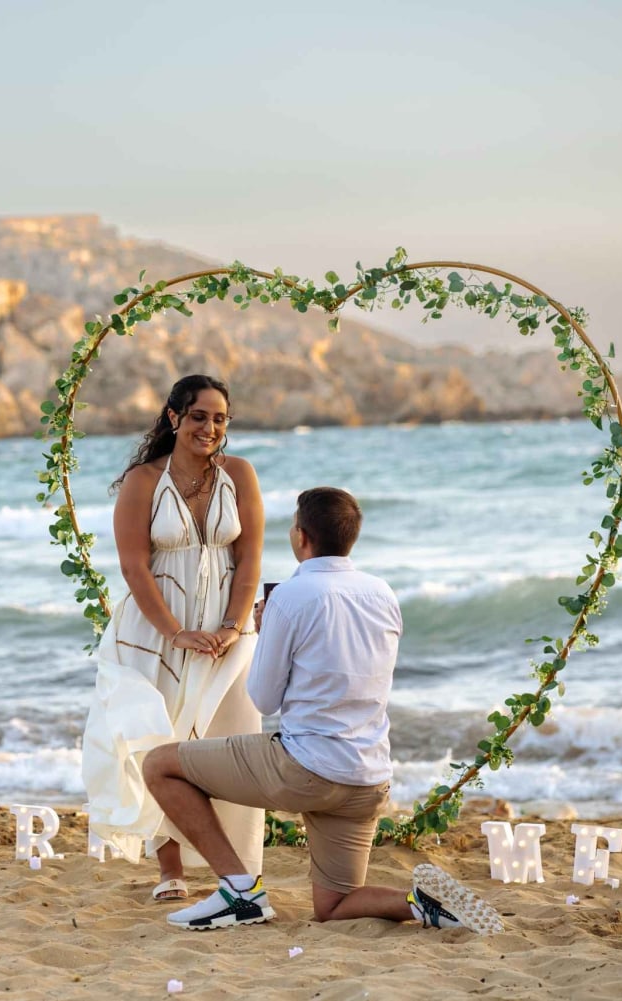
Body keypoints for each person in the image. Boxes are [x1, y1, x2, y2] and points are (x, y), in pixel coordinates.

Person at [142, 487, 503, 934]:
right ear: (351, 537)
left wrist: (263, 626)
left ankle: (239, 890)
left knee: (160, 765)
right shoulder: (382, 592)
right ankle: (422, 905)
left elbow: (264, 699)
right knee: (333, 906)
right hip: (366, 779)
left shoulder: (290, 598)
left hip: (306, 770)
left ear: (300, 536)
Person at [81, 374, 266, 902]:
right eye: (199, 416)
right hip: (157, 630)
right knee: (161, 742)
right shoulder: (143, 481)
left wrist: (232, 627)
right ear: (174, 418)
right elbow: (134, 566)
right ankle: (171, 871)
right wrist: (177, 632)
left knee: (231, 743)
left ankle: (236, 869)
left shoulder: (240, 475)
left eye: (219, 418)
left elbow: (249, 557)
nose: (209, 427)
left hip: (228, 634)